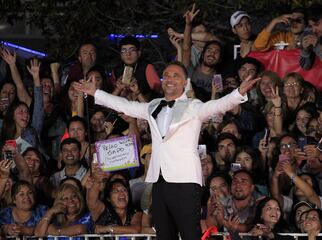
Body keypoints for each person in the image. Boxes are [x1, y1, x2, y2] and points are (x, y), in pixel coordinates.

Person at [74, 49, 258, 240]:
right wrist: (94, 91)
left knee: (189, 234)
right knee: (164, 235)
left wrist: (238, 92)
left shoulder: (194, 106)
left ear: (185, 82)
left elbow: (218, 104)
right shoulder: (154, 105)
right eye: (166, 76)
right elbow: (124, 105)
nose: (169, 79)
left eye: (175, 75)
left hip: (185, 181)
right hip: (159, 181)